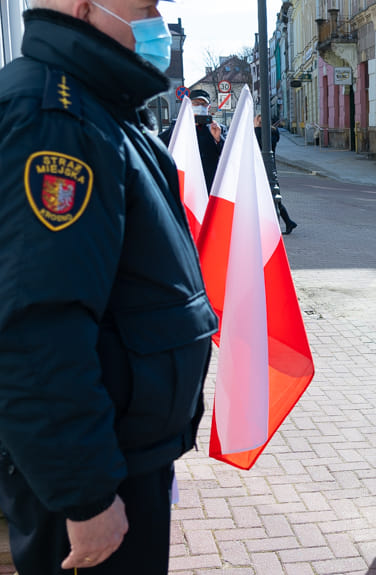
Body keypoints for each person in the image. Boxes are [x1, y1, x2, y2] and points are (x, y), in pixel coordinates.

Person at [0, 2, 219, 574]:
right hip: (99, 480)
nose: (156, 23)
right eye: (143, 8)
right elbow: (37, 327)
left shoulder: (103, 108)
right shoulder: (57, 118)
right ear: (82, 8)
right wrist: (85, 494)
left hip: (126, 456)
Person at [159, 88, 225, 192]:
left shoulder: (218, 128)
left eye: (203, 104)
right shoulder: (179, 125)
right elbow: (160, 145)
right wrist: (183, 124)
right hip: (186, 181)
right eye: (196, 103)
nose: (200, 106)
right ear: (189, 105)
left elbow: (229, 154)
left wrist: (218, 138)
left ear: (209, 107)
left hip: (210, 182)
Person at [254, 114, 297, 234]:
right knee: (272, 198)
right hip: (266, 168)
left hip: (266, 169)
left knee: (272, 198)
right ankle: (288, 222)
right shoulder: (271, 132)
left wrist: (257, 128)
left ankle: (286, 223)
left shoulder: (266, 133)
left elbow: (260, 145)